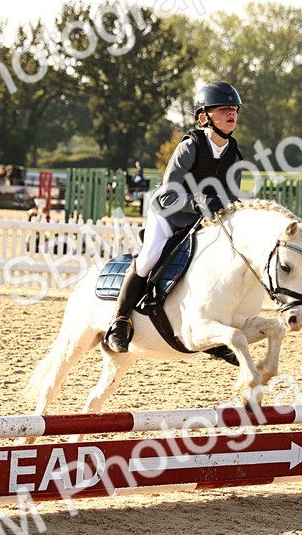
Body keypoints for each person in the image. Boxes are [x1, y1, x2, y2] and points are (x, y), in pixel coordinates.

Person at [104, 81, 244, 353]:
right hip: (168, 213)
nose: (232, 114)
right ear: (205, 117)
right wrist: (199, 201)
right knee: (149, 257)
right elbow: (168, 196)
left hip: (200, 219)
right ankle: (119, 321)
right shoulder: (190, 146)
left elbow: (230, 198)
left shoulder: (234, 154)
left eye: (234, 109)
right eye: (224, 109)